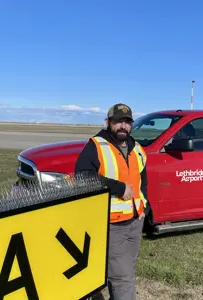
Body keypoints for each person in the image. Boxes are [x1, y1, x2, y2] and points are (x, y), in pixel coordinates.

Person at [75, 103, 149, 300]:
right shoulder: (97, 146)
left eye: (127, 122)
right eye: (118, 122)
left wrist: (145, 208)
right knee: (123, 279)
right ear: (108, 122)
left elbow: (143, 181)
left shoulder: (137, 148)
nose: (123, 126)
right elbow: (83, 177)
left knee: (124, 271)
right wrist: (118, 187)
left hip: (135, 222)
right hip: (111, 225)